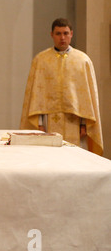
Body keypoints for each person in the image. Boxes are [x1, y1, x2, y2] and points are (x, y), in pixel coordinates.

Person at [20, 18, 103, 155]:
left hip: (75, 121)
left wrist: (84, 124)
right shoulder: (41, 60)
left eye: (65, 33)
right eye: (58, 33)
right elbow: (36, 95)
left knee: (75, 157)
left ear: (71, 34)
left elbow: (86, 97)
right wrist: (39, 123)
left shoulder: (83, 60)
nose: (62, 37)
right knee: (47, 156)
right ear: (52, 34)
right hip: (48, 120)